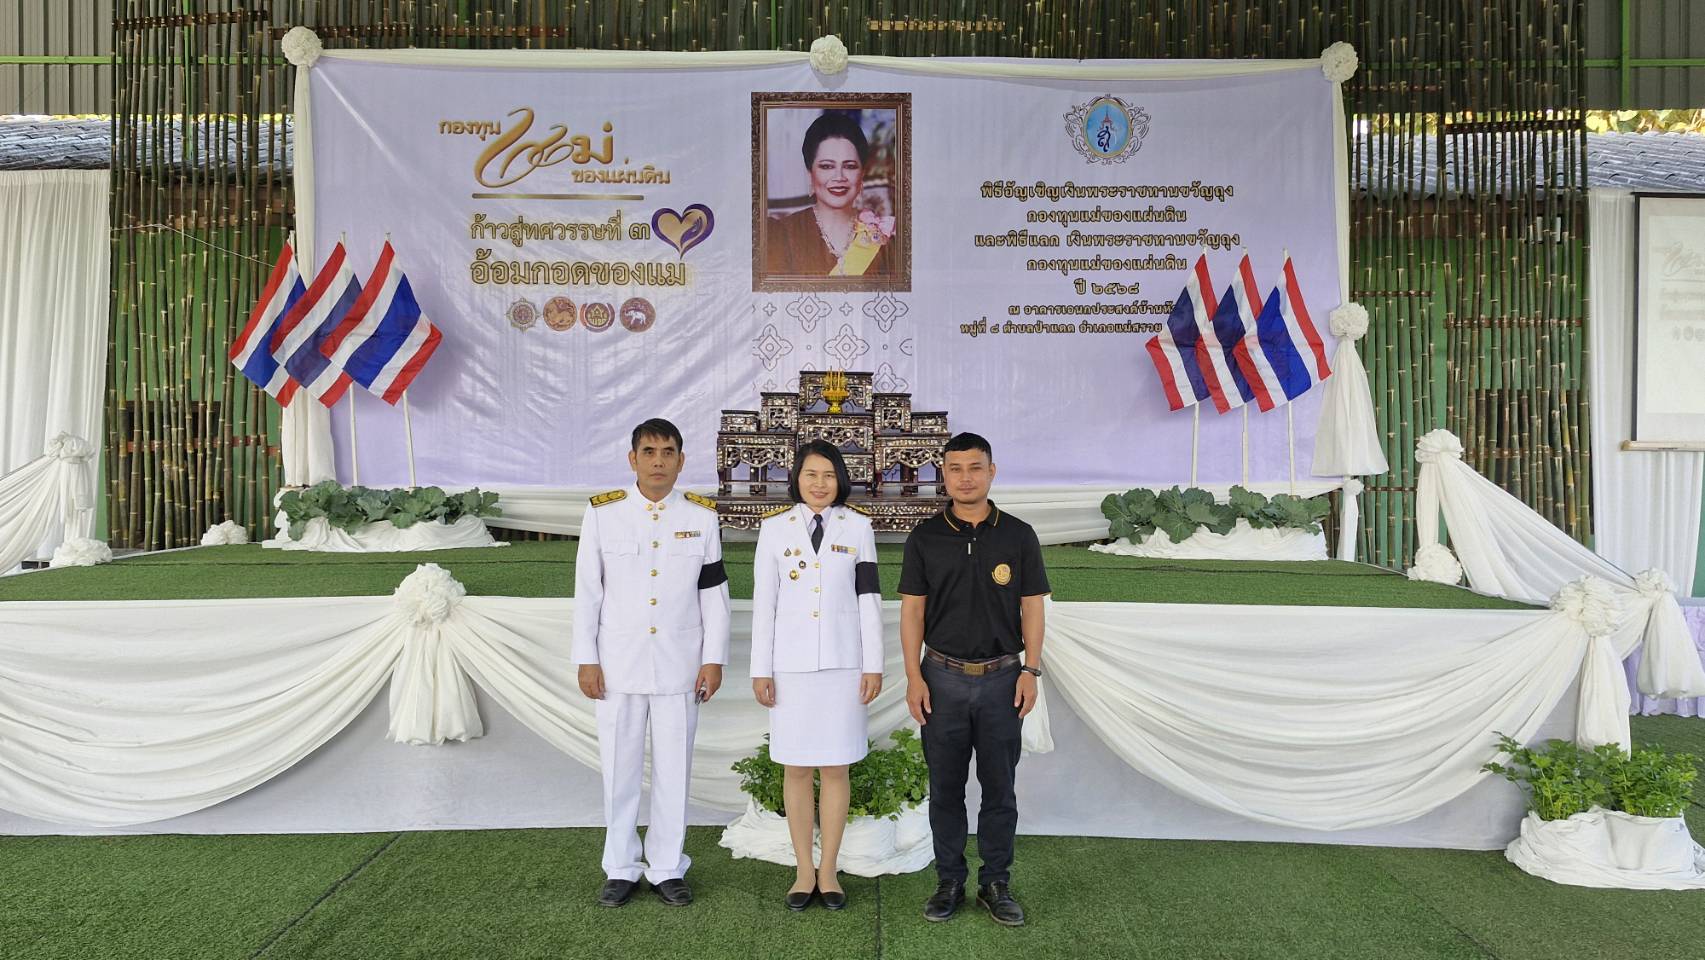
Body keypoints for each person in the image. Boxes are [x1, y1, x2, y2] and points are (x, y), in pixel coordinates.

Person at [573, 418, 731, 909]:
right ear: (632, 459)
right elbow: (587, 592)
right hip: (617, 663)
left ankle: (666, 866)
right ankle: (620, 866)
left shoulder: (703, 516)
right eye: (649, 451)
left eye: (668, 452)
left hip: (680, 664)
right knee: (619, 769)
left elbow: (714, 595)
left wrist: (713, 659)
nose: (658, 461)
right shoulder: (604, 514)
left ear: (682, 461)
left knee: (673, 769)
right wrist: (586, 658)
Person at [897, 432, 1048, 927]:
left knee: (999, 788)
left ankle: (996, 883)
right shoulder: (925, 537)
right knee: (945, 789)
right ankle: (950, 880)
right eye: (956, 468)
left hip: (1004, 680)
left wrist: (1031, 669)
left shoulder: (1018, 535)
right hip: (941, 679)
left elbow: (1031, 606)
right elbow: (912, 612)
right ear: (943, 474)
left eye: (975, 468)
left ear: (992, 472)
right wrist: (914, 677)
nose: (965, 477)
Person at [749, 440, 884, 911]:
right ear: (797, 478)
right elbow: (764, 603)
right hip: (790, 667)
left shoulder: (858, 527)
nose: (820, 483)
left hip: (844, 667)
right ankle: (803, 871)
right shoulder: (774, 530)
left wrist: (873, 664)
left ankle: (829, 871)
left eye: (828, 475)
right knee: (797, 767)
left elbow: (869, 598)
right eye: (811, 474)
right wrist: (760, 669)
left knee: (835, 767)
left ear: (840, 478)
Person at [763, 111, 896, 279]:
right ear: (810, 174)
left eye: (850, 166)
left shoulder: (885, 242)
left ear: (862, 175)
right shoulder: (780, 235)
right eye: (826, 166)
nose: (839, 177)